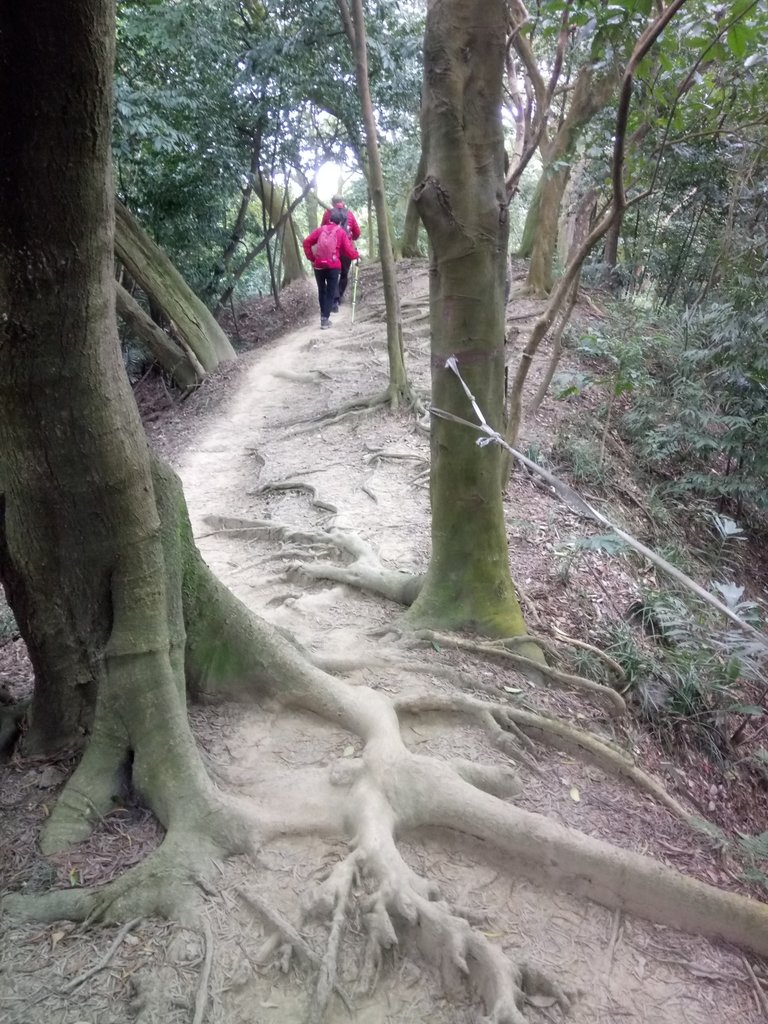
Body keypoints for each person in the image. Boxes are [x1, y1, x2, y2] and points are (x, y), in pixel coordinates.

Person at [302, 209, 360, 330]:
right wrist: (356, 255)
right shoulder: (341, 232)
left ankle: (323, 316)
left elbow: (306, 242)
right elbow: (348, 251)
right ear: (340, 222)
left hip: (319, 265)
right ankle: (325, 319)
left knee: (321, 290)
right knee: (330, 291)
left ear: (329, 220)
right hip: (333, 265)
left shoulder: (320, 230)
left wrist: (312, 258)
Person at [321, 194, 361, 312]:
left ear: (332, 203)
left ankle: (334, 299)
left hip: (331, 248)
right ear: (343, 202)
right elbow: (357, 232)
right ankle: (339, 296)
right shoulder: (349, 214)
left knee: (332, 273)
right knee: (344, 273)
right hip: (346, 247)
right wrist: (351, 237)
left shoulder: (328, 214)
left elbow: (323, 229)